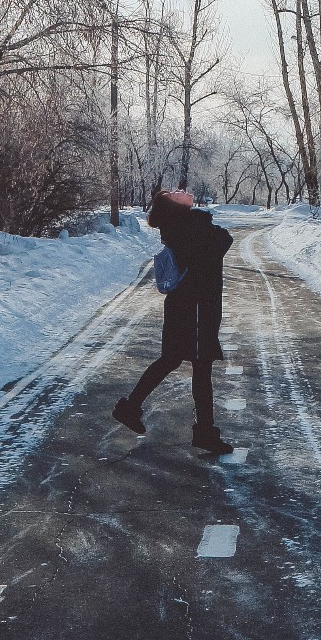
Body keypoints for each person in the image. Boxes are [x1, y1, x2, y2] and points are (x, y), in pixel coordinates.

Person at [112, 190, 236, 455]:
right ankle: (204, 432)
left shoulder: (180, 226)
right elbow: (223, 240)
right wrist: (204, 220)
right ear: (174, 207)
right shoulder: (189, 227)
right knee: (201, 368)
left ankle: (130, 407)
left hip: (184, 306)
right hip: (197, 308)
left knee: (171, 359)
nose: (182, 192)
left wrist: (201, 220)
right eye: (174, 194)